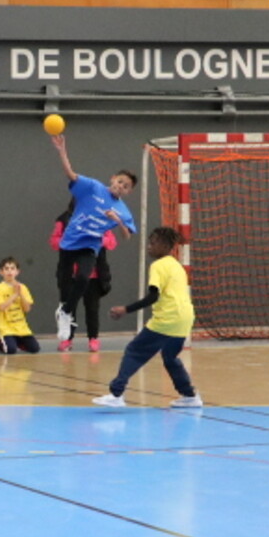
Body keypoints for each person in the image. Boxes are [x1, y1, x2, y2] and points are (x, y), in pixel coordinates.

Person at [93, 227, 201, 409]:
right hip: (185, 319)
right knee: (170, 357)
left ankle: (116, 394)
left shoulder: (157, 266)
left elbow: (153, 296)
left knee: (134, 351)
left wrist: (125, 309)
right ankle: (190, 396)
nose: (149, 247)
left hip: (168, 318)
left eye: (153, 243)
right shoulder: (177, 265)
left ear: (166, 246)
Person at [50, 133, 136, 343]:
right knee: (65, 283)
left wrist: (119, 221)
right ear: (113, 179)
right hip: (70, 242)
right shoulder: (93, 187)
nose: (121, 187)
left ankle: (66, 313)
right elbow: (70, 173)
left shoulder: (122, 210)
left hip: (90, 246)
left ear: (128, 192)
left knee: (83, 278)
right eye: (120, 182)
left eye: (126, 187)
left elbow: (127, 236)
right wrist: (62, 151)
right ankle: (65, 310)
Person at [51, 198, 117, 352]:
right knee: (69, 307)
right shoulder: (63, 220)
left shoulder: (100, 220)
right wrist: (70, 240)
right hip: (70, 274)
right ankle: (67, 339)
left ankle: (93, 338)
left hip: (93, 275)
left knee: (92, 308)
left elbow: (111, 242)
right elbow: (54, 242)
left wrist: (97, 239)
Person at [0, 256, 40, 354]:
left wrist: (20, 294)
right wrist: (14, 295)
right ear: (1, 272)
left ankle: (17, 341)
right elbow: (1, 307)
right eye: (6, 269)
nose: (9, 271)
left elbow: (27, 309)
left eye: (12, 268)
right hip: (6, 328)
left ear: (17, 272)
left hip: (21, 328)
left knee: (35, 348)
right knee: (10, 350)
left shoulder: (22, 287)